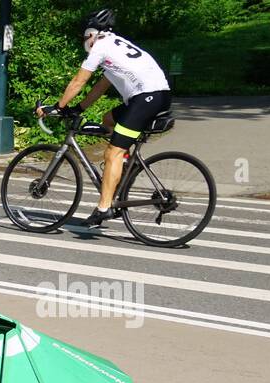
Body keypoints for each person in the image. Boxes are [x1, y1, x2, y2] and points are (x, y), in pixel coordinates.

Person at [39, 8, 172, 229]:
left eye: (85, 36)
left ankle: (104, 208)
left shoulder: (100, 46)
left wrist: (59, 107)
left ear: (92, 33)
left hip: (146, 98)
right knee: (108, 119)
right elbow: (101, 86)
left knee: (112, 153)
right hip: (156, 96)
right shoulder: (115, 44)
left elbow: (78, 81)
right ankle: (123, 163)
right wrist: (78, 108)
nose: (85, 41)